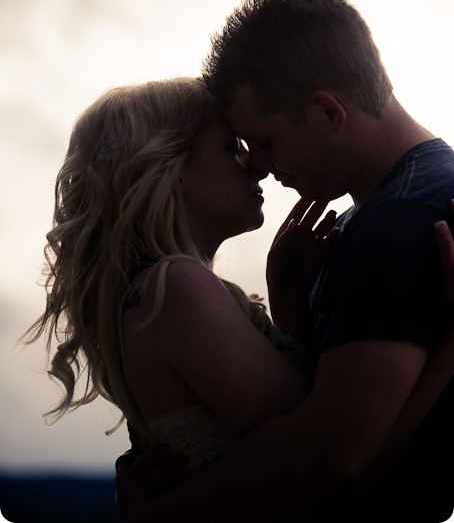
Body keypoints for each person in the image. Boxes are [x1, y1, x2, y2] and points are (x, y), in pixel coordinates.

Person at [114, 0, 454, 522]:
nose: (261, 167)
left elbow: (338, 457)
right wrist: (293, 321)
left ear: (326, 111)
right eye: (241, 148)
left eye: (265, 142)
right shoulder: (374, 215)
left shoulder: (403, 217)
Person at [21, 76, 340, 482]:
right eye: (230, 148)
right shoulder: (174, 287)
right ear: (172, 172)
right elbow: (326, 454)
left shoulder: (149, 295)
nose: (256, 166)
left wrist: (289, 312)